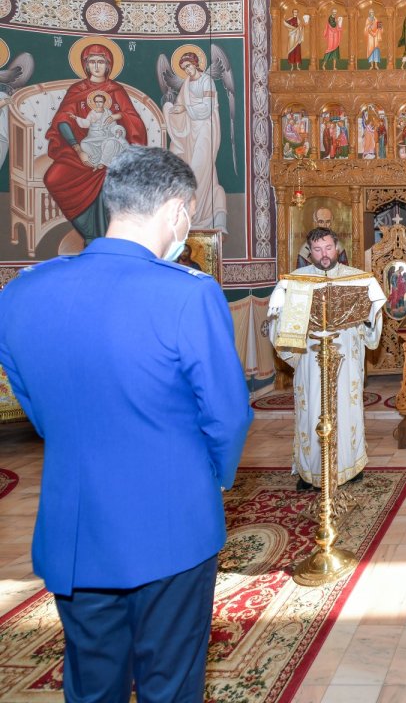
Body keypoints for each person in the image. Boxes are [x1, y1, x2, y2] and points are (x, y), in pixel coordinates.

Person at [0, 145, 252, 701]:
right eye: (190, 214)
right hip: (173, 526)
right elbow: (228, 415)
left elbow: (38, 410)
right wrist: (210, 476)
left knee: (91, 685)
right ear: (177, 211)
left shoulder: (20, 294)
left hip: (75, 531)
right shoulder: (188, 294)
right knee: (170, 684)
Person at [269, 228, 385, 490]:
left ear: (337, 248)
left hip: (346, 357)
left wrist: (368, 316)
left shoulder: (357, 278)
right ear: (310, 251)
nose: (324, 254)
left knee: (346, 408)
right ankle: (310, 471)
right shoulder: (296, 281)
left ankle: (350, 466)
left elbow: (375, 315)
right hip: (310, 358)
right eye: (317, 249)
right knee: (311, 410)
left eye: (328, 248)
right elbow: (278, 320)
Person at [46, 43, 149, 246]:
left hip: (112, 147)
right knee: (53, 178)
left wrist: (119, 117)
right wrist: (78, 149)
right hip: (82, 147)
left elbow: (133, 119)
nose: (96, 66)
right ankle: (88, 230)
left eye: (100, 61)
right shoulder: (77, 90)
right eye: (92, 61)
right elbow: (63, 120)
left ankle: (107, 234)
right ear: (85, 65)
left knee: (109, 174)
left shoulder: (116, 90)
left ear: (108, 65)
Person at [166, 50, 227, 232]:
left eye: (189, 66)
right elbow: (180, 104)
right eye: (184, 68)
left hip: (206, 129)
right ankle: (192, 213)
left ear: (195, 64)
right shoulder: (186, 84)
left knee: (200, 166)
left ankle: (200, 213)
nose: (187, 70)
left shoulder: (206, 81)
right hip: (191, 131)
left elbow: (208, 106)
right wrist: (174, 110)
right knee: (192, 167)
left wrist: (186, 108)